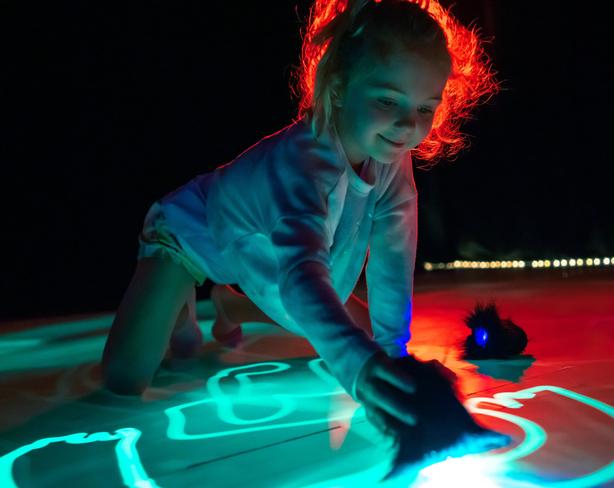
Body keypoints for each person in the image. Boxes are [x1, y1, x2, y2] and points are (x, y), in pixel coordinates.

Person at [101, 0, 497, 438]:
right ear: (341, 86)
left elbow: (392, 258)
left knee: (368, 346)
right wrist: (358, 368)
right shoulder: (303, 167)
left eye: (426, 108)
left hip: (270, 257)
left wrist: (392, 355)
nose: (408, 125)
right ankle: (182, 303)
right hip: (194, 237)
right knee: (127, 377)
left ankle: (232, 301)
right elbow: (301, 277)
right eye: (388, 100)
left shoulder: (394, 159)